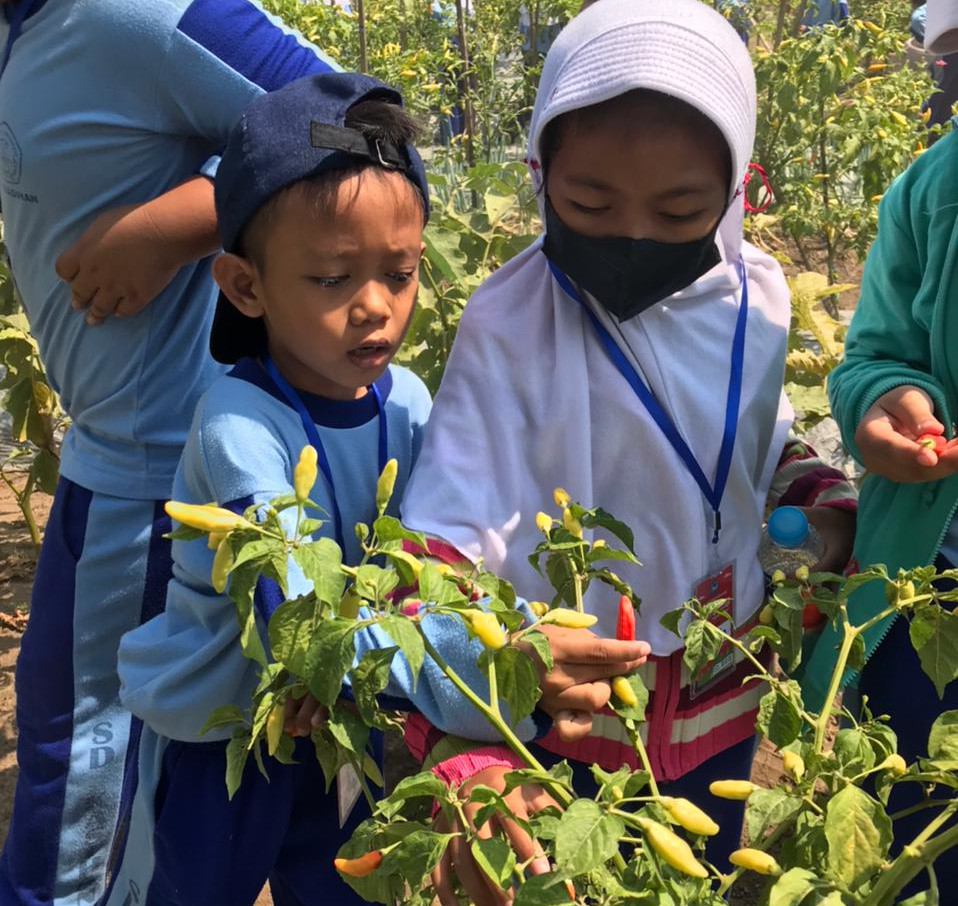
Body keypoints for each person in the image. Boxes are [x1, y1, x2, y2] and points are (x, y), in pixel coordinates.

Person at [111, 71, 651, 906]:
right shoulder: (238, 427)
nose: (376, 307)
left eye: (399, 275)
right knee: (197, 887)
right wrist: (488, 670)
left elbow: (436, 558)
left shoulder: (407, 402)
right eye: (332, 279)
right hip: (223, 732)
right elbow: (300, 624)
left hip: (342, 714)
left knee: (339, 882)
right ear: (246, 287)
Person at [398, 1, 856, 901]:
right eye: (588, 202)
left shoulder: (755, 297)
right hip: (565, 705)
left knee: (695, 866)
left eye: (681, 207)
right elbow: (445, 537)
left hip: (720, 694)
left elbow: (755, 442)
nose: (633, 236)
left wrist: (819, 505)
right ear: (539, 172)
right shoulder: (509, 320)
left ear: (734, 193)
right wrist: (484, 700)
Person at [0, 1, 344, 902]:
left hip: (160, 492)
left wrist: (173, 227)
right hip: (112, 465)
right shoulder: (26, 30)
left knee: (86, 786)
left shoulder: (134, 11)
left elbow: (351, 114)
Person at [805, 5, 958, 893]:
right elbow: (873, 355)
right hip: (929, 573)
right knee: (915, 812)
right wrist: (893, 406)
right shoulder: (929, 192)